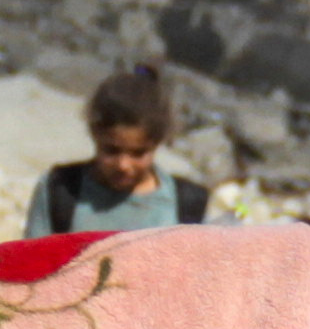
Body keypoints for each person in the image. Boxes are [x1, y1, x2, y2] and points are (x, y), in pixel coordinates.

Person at [27, 65, 211, 239]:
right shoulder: (60, 191)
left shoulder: (187, 207)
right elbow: (30, 265)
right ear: (95, 135)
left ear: (157, 144)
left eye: (138, 153)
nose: (123, 165)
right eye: (111, 151)